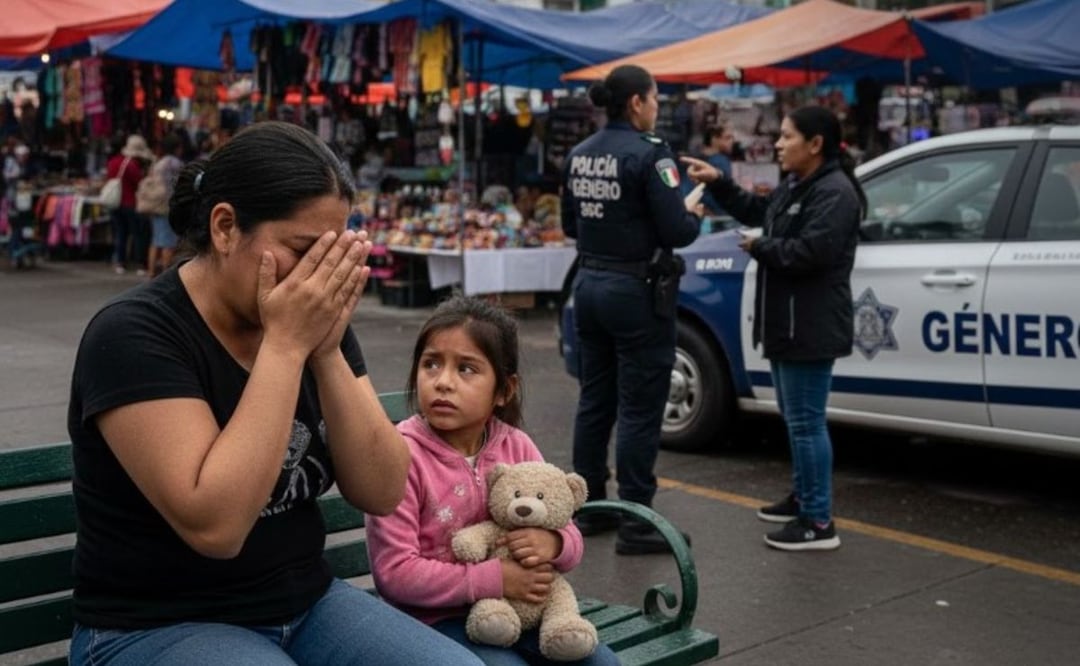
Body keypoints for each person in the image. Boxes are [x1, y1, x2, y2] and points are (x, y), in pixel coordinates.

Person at [67, 121, 483, 666]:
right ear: (225, 228)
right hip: (156, 625)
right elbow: (216, 527)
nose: (319, 274)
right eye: (302, 249)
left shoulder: (307, 320)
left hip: (305, 605)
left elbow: (382, 489)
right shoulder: (134, 334)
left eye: (332, 252)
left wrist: (326, 353)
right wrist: (286, 348)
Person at [365, 295, 619, 666]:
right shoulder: (402, 455)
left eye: (466, 369)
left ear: (504, 390)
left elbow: (567, 527)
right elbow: (395, 573)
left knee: (602, 663)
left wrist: (554, 543)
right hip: (432, 620)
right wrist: (495, 578)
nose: (443, 382)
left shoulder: (516, 446)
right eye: (431, 363)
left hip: (521, 608)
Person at [682, 105, 866, 552]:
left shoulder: (836, 192)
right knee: (795, 418)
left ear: (815, 144)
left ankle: (818, 521)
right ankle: (803, 498)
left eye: (787, 136)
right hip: (787, 323)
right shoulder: (799, 184)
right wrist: (719, 181)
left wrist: (760, 246)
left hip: (811, 326)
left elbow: (811, 253)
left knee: (806, 423)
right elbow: (760, 209)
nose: (778, 145)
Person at [560, 64, 701, 555]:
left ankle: (590, 505)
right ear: (637, 102)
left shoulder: (580, 153)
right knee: (640, 407)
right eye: (656, 98)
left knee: (595, 399)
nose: (657, 107)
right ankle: (637, 518)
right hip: (635, 291)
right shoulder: (651, 153)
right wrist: (692, 214)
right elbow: (677, 230)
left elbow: (570, 226)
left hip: (589, 285)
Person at [106, 134, 151, 275]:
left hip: (115, 203)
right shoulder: (131, 165)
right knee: (137, 234)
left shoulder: (113, 162)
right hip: (130, 203)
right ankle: (140, 264)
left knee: (121, 233)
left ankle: (120, 262)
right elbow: (139, 183)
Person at [144, 133, 185, 277]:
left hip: (155, 204)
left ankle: (151, 272)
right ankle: (165, 275)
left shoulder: (158, 163)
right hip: (168, 206)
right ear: (177, 148)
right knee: (169, 242)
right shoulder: (175, 164)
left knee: (156, 240)